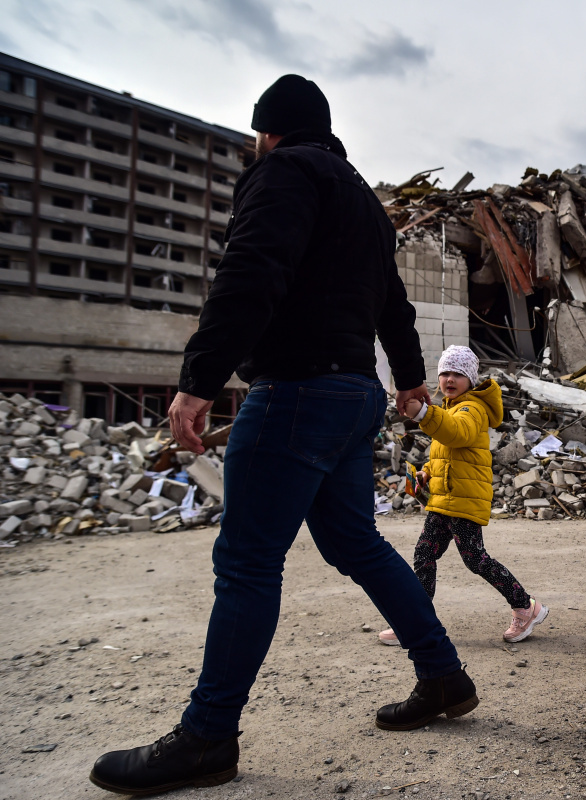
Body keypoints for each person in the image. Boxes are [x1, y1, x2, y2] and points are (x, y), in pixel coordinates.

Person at [88, 75, 477, 797]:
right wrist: (411, 380)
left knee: (246, 562)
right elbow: (392, 302)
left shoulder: (282, 172)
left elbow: (251, 269)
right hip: (355, 394)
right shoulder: (361, 198)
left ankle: (207, 736)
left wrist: (199, 376)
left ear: (266, 132)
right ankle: (444, 675)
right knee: (355, 541)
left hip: (297, 390)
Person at [377, 345, 548, 645]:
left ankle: (526, 607)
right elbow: (448, 450)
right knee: (424, 556)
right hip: (443, 501)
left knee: (476, 560)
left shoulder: (473, 410)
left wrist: (423, 414)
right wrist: (427, 471)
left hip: (463, 500)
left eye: (458, 373)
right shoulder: (451, 408)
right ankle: (416, 621)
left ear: (471, 378)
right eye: (445, 372)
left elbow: (457, 433)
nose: (449, 379)